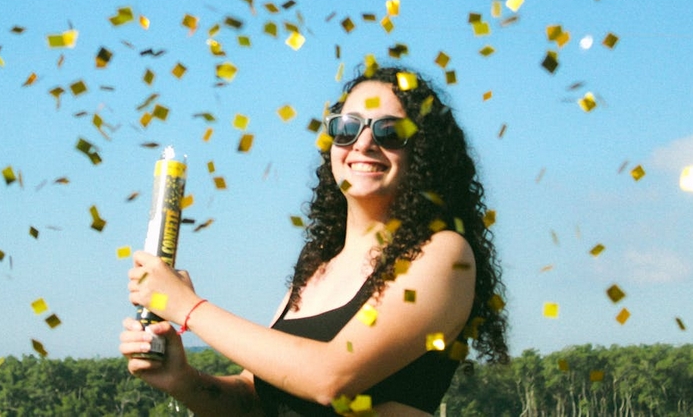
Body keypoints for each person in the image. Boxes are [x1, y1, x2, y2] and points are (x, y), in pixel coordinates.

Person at [121, 65, 508, 416]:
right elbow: (251, 401)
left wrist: (188, 307)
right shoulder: (318, 265)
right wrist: (182, 378)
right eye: (347, 127)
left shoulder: (442, 253)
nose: (363, 143)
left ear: (425, 152)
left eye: (390, 131)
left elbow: (331, 377)